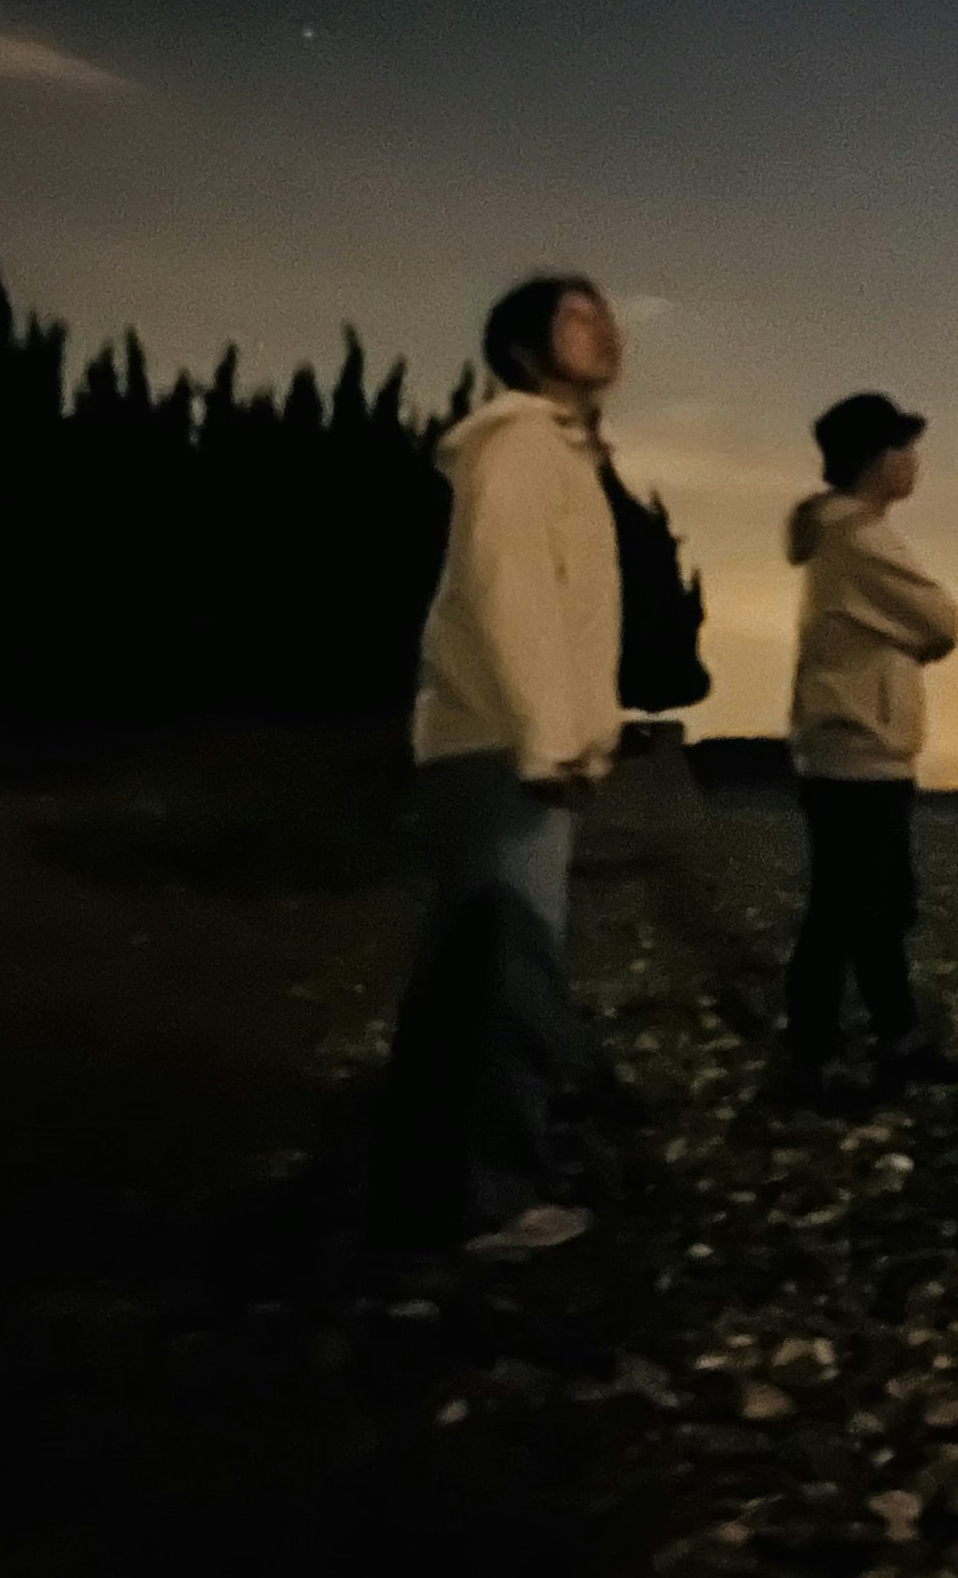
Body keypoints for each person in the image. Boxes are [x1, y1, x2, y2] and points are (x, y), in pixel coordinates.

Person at [372, 273, 631, 1256]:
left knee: (471, 975)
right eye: (576, 316)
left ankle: (435, 1191)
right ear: (526, 349)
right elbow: (510, 594)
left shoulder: (555, 452)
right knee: (506, 978)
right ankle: (488, 1204)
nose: (603, 329)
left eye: (605, 313)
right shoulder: (519, 445)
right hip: (501, 745)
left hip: (494, 740)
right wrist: (551, 740)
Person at [781, 391, 958, 1105]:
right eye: (904, 447)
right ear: (879, 458)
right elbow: (940, 620)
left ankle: (891, 1039)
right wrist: (915, 639)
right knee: (847, 908)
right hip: (858, 743)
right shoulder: (860, 537)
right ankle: (813, 1055)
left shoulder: (842, 535)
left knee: (873, 906)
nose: (914, 461)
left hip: (853, 742)